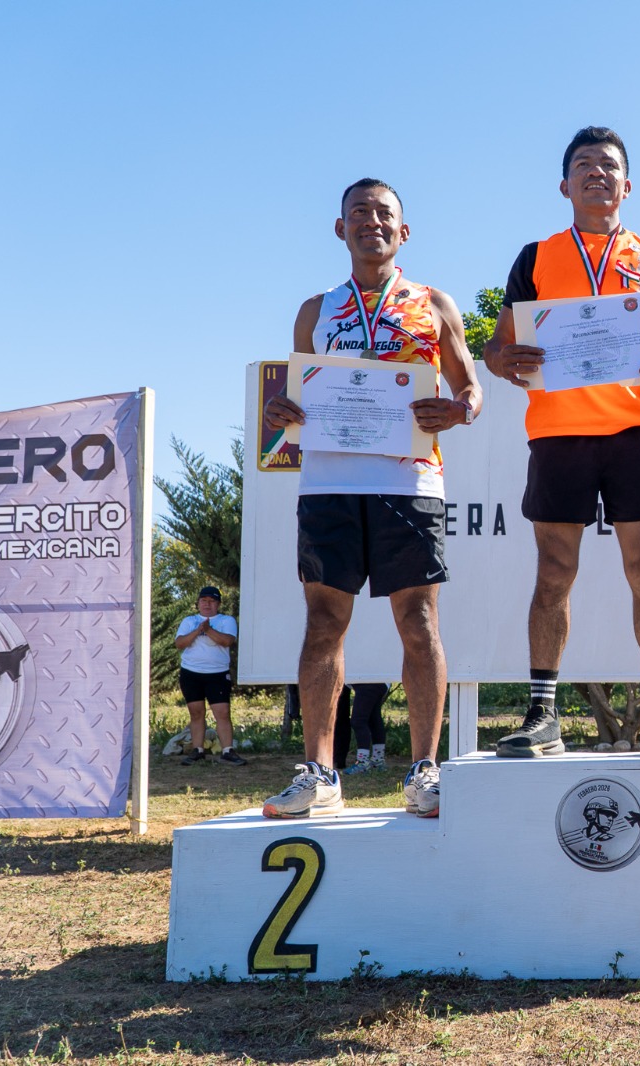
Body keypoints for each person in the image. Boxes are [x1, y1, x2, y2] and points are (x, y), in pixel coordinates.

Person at [482, 126, 640, 760]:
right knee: (554, 572)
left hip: (635, 431)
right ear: (564, 184)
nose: (596, 173)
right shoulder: (535, 257)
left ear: (627, 184)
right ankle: (542, 715)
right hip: (559, 433)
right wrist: (508, 360)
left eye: (609, 165)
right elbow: (494, 347)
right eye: (583, 164)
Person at [261, 178, 482, 819]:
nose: (372, 222)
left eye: (384, 213)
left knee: (418, 622)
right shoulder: (314, 309)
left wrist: (458, 409)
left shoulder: (433, 301)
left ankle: (424, 771)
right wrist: (281, 412)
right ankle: (321, 772)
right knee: (324, 623)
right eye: (359, 212)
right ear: (340, 229)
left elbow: (471, 388)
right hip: (328, 481)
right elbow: (295, 397)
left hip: (409, 479)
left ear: (403, 232)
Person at [174, 586, 244, 766]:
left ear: (218, 604)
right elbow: (180, 643)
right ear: (198, 603)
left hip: (217, 674)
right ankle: (197, 750)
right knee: (196, 713)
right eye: (203, 601)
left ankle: (227, 750)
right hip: (191, 673)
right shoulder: (189, 621)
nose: (207, 604)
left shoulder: (226, 620)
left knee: (222, 712)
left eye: (211, 601)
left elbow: (227, 640)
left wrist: (208, 630)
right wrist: (198, 630)